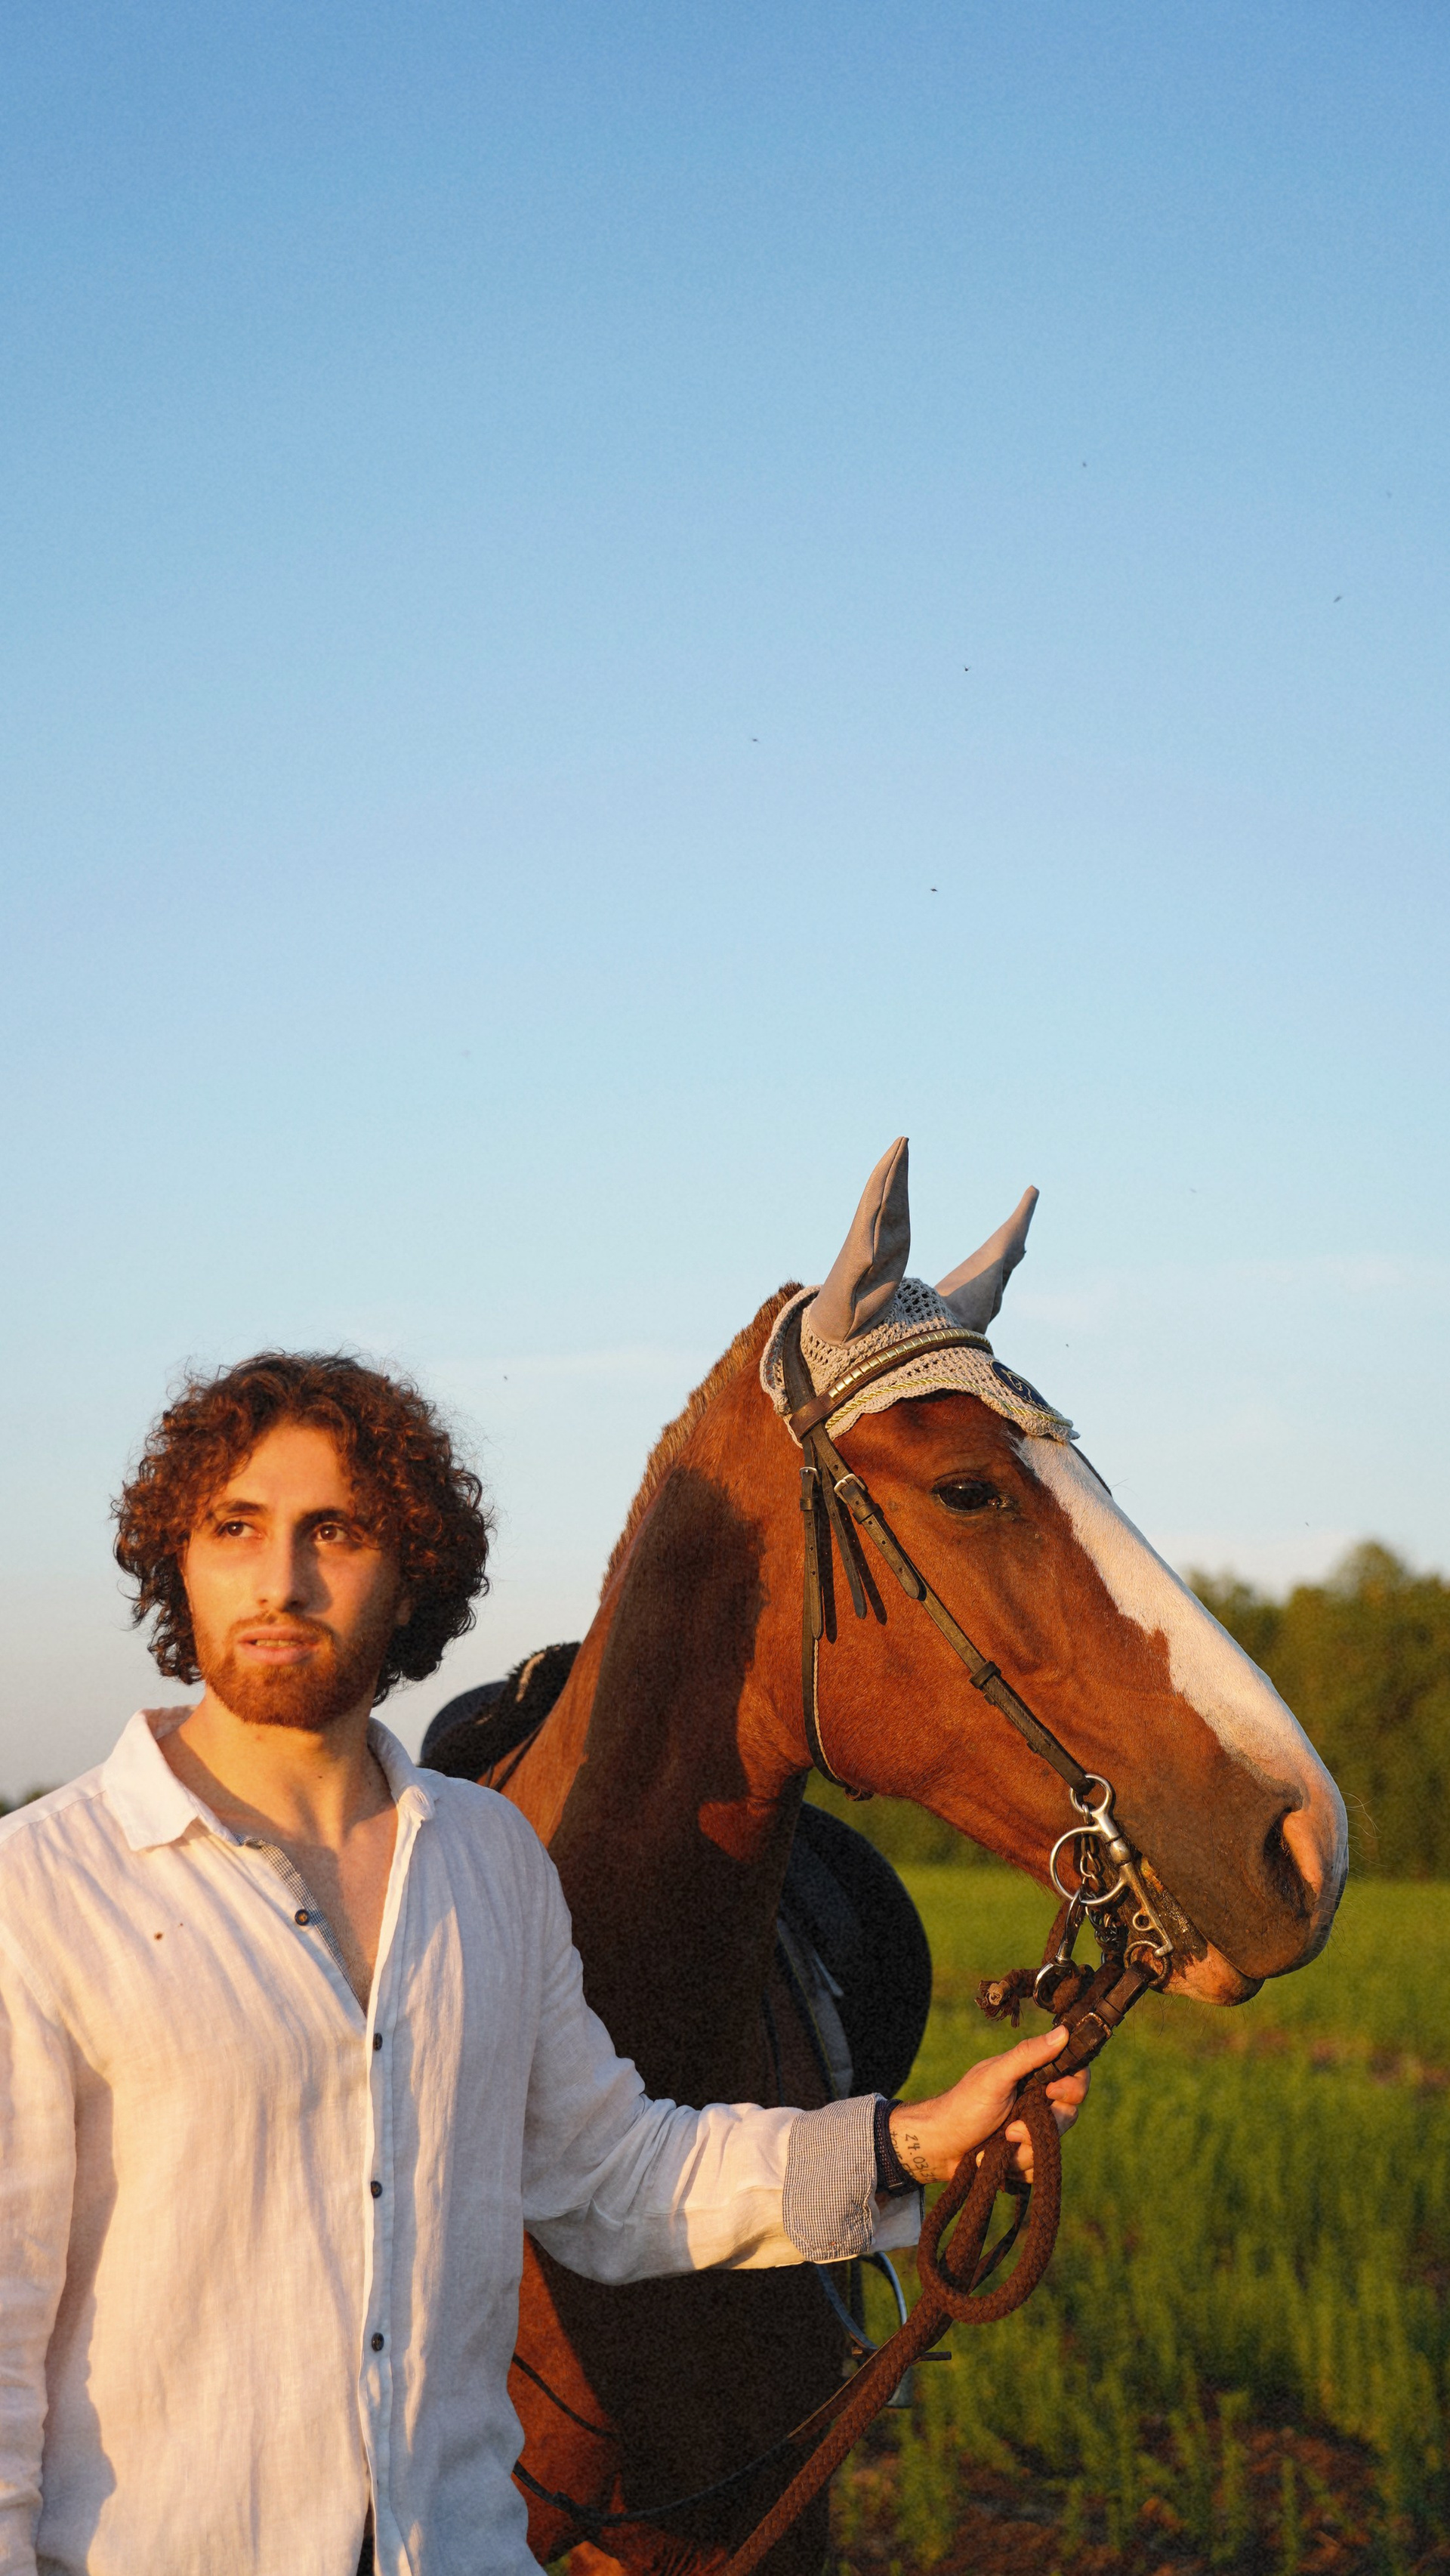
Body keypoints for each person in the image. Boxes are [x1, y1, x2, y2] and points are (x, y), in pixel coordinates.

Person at [0, 1353, 1088, 2576]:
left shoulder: (488, 1858)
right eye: (235, 1526)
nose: (281, 1580)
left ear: (411, 1568)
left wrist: (916, 2140)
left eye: (336, 1531)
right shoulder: (39, 1889)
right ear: (181, 1556)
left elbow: (612, 2173)